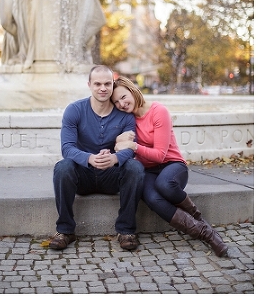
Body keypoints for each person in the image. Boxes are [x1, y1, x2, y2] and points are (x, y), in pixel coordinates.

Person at [111, 76, 228, 257]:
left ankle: (198, 218)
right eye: (116, 102)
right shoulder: (128, 120)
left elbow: (160, 155)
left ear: (132, 90)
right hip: (148, 170)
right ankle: (204, 232)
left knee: (164, 185)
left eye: (123, 97)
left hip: (172, 165)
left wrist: (133, 146)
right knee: (151, 197)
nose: (121, 104)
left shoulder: (159, 111)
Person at [51, 65, 144, 251]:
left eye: (107, 84)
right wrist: (89, 158)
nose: (103, 88)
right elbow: (67, 148)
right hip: (83, 175)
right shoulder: (74, 110)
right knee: (62, 167)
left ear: (112, 84)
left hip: (111, 175)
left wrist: (115, 159)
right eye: (98, 84)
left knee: (135, 167)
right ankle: (65, 230)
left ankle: (126, 230)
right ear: (89, 85)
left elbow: (130, 148)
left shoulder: (125, 115)